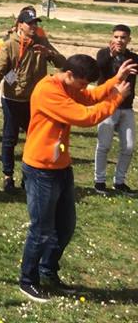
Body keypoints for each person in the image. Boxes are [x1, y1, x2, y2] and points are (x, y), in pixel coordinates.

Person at [17, 55, 134, 302]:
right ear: (69, 74)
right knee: (41, 230)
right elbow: (84, 117)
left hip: (60, 166)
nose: (83, 88)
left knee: (65, 226)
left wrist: (116, 79)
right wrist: (117, 97)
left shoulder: (68, 86)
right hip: (41, 169)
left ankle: (47, 271)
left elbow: (91, 97)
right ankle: (27, 280)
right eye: (82, 83)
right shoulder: (49, 91)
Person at [0, 8, 67, 193]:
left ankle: (28, 177)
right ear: (20, 25)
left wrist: (49, 54)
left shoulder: (42, 41)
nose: (34, 26)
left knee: (34, 139)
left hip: (36, 100)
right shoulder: (9, 44)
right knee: (9, 138)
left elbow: (63, 63)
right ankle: (8, 176)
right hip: (12, 99)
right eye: (30, 23)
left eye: (36, 23)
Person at [94, 24, 137, 194]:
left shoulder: (133, 58)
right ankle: (99, 181)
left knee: (128, 147)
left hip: (126, 108)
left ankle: (119, 182)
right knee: (103, 145)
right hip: (108, 106)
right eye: (117, 37)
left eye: (123, 37)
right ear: (112, 38)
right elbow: (98, 71)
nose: (119, 40)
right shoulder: (103, 54)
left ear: (128, 40)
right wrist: (111, 56)